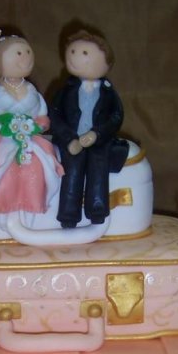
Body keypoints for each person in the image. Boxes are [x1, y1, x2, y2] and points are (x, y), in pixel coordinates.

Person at [0, 33, 63, 216]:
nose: (25, 57)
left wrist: (35, 127)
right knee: (6, 164)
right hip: (1, 137)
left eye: (27, 51)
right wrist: (5, 129)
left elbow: (42, 115)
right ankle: (4, 206)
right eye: (18, 53)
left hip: (29, 137)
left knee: (38, 162)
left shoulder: (31, 90)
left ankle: (32, 205)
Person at [50, 29, 128, 227]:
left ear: (106, 63)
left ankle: (97, 211)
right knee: (72, 172)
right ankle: (68, 215)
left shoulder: (108, 93)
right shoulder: (66, 91)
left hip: (98, 141)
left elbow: (116, 117)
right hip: (72, 140)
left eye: (84, 53)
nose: (74, 56)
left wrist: (97, 134)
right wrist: (68, 139)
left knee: (98, 170)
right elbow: (54, 116)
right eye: (72, 51)